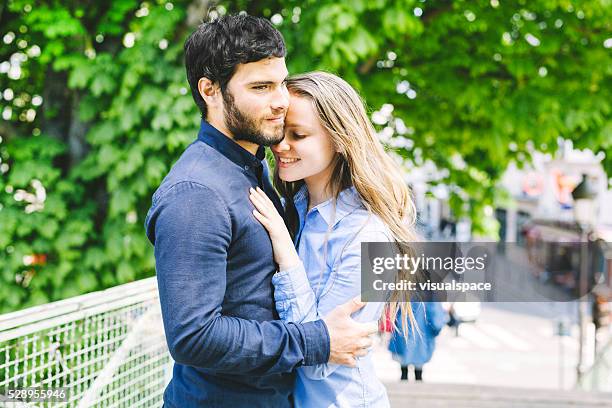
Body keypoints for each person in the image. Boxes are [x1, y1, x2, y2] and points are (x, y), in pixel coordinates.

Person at [145, 16, 377, 408]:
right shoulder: (196, 194)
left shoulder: (256, 168)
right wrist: (317, 339)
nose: (281, 100)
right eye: (261, 87)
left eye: (281, 83)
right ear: (210, 91)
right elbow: (193, 336)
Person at [248, 71, 420, 407]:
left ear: (340, 140)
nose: (281, 146)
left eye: (298, 135)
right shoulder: (293, 208)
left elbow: (319, 361)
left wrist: (287, 254)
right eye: (282, 132)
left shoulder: (369, 239)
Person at [388, 301, 448, 381]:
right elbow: (435, 313)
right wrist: (436, 328)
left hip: (404, 329)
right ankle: (417, 378)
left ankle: (404, 377)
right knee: (419, 366)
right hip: (422, 332)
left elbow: (392, 308)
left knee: (404, 366)